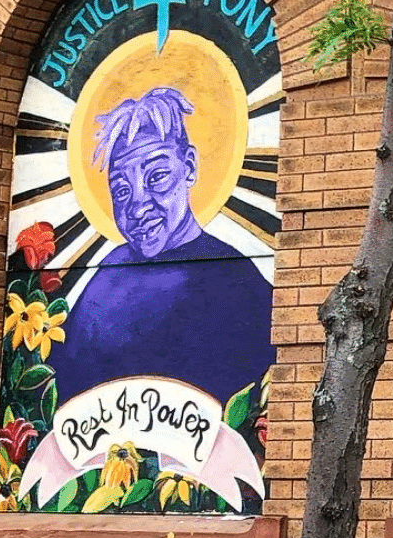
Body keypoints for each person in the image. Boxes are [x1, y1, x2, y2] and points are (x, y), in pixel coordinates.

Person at [55, 87, 276, 405]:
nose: (138, 206)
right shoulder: (107, 275)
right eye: (121, 190)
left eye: (156, 176)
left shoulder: (236, 278)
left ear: (188, 166)